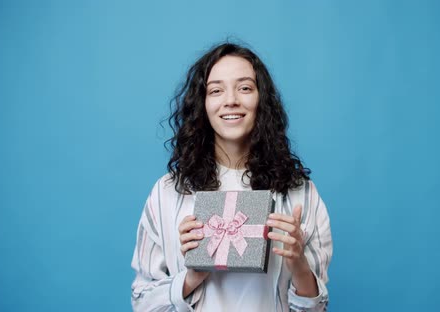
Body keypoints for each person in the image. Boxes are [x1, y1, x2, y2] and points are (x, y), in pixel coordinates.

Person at [130, 42, 332, 311]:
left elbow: (316, 309)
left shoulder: (300, 193)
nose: (231, 100)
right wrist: (191, 277)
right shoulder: (167, 192)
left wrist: (299, 265)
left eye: (245, 87)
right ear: (202, 104)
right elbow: (142, 303)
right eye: (216, 90)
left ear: (262, 100)